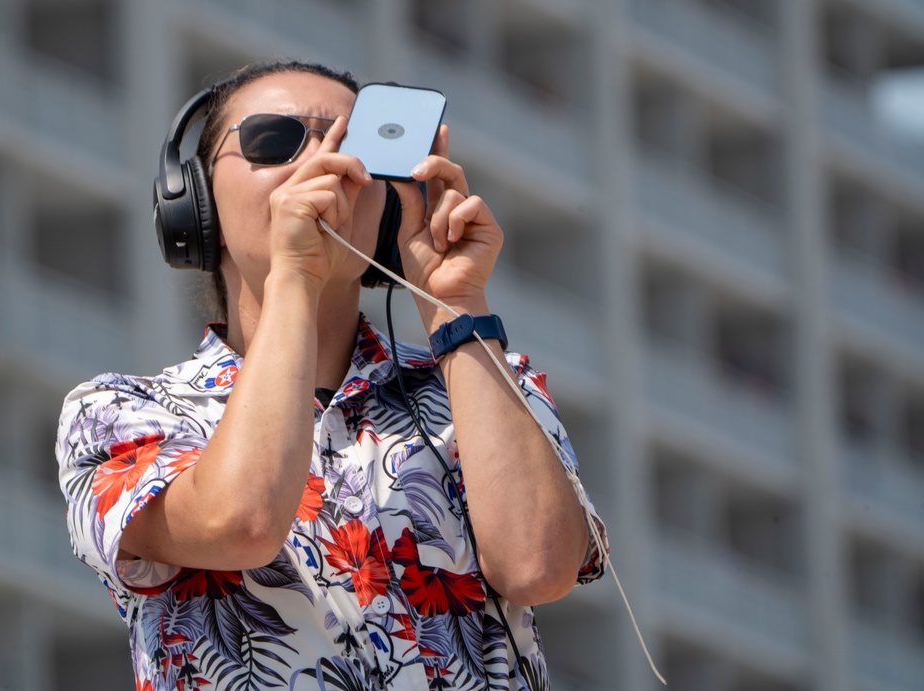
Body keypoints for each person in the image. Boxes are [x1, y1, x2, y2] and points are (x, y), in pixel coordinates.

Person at [56, 59, 607, 691]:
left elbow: (538, 567)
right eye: (274, 141)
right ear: (197, 202)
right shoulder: (117, 413)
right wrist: (294, 273)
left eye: (353, 146)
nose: (324, 163)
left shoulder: (485, 380)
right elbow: (242, 523)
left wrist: (454, 304)